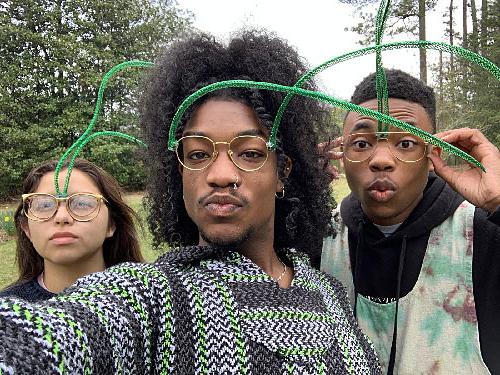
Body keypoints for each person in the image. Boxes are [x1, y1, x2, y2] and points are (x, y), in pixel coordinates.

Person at [0, 31, 381, 374]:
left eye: (248, 153)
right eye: (198, 155)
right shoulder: (154, 298)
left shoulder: (327, 291)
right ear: (177, 174)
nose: (219, 174)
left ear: (282, 172)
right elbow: (45, 339)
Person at [321, 69, 500, 374]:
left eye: (405, 143)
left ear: (433, 153)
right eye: (362, 143)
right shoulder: (322, 236)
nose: (381, 159)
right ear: (341, 153)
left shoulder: (482, 234)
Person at [0, 158, 144, 302]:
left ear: (111, 224)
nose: (62, 217)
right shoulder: (6, 313)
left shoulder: (150, 299)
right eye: (44, 205)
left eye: (82, 203)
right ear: (26, 228)